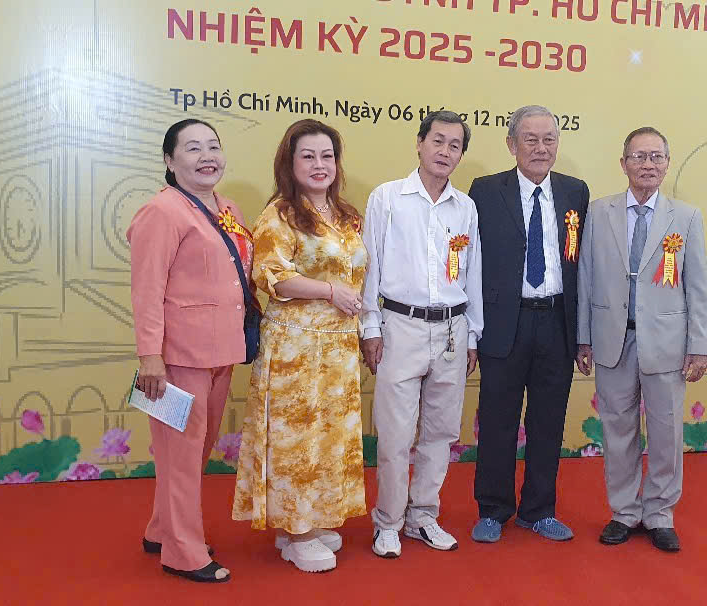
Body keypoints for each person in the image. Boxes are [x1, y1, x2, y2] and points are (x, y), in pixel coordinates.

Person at [230, 119, 367, 573]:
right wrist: (329, 291)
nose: (319, 164)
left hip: (338, 350)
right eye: (308, 156)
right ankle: (297, 530)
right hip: (295, 349)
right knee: (297, 441)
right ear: (289, 163)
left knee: (328, 437)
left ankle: (308, 522)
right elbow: (270, 275)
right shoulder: (280, 214)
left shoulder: (345, 215)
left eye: (327, 156)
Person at [575, 127, 707, 553]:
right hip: (612, 341)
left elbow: (697, 286)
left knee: (666, 433)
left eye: (656, 156)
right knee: (617, 430)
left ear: (667, 164)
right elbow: (585, 279)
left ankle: (660, 514)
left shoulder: (686, 217)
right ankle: (624, 512)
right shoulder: (599, 213)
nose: (647, 164)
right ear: (623, 164)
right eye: (638, 156)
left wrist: (699, 344)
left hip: (667, 343)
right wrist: (583, 337)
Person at [129, 118, 250, 583]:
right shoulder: (161, 212)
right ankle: (183, 552)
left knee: (193, 454)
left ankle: (162, 529)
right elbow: (146, 290)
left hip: (222, 350)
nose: (207, 156)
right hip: (177, 357)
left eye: (213, 146)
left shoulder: (227, 208)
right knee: (179, 456)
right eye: (193, 148)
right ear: (169, 159)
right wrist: (150, 356)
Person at [360, 110, 483, 558]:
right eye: (438, 141)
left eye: (455, 145)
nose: (445, 151)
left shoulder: (465, 207)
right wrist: (370, 326)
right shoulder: (387, 198)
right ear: (419, 143)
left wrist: (473, 335)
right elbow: (369, 265)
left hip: (452, 329)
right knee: (395, 435)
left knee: (441, 433)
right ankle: (388, 521)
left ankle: (423, 516)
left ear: (461, 154)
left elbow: (473, 274)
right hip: (400, 327)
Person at [467, 105, 589, 543]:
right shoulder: (485, 191)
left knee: (548, 422)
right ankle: (493, 509)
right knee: (497, 420)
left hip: (557, 323)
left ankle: (539, 510)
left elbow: (582, 265)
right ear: (511, 144)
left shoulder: (575, 192)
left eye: (549, 139)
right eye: (530, 139)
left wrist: (583, 333)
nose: (540, 148)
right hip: (505, 323)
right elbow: (470, 261)